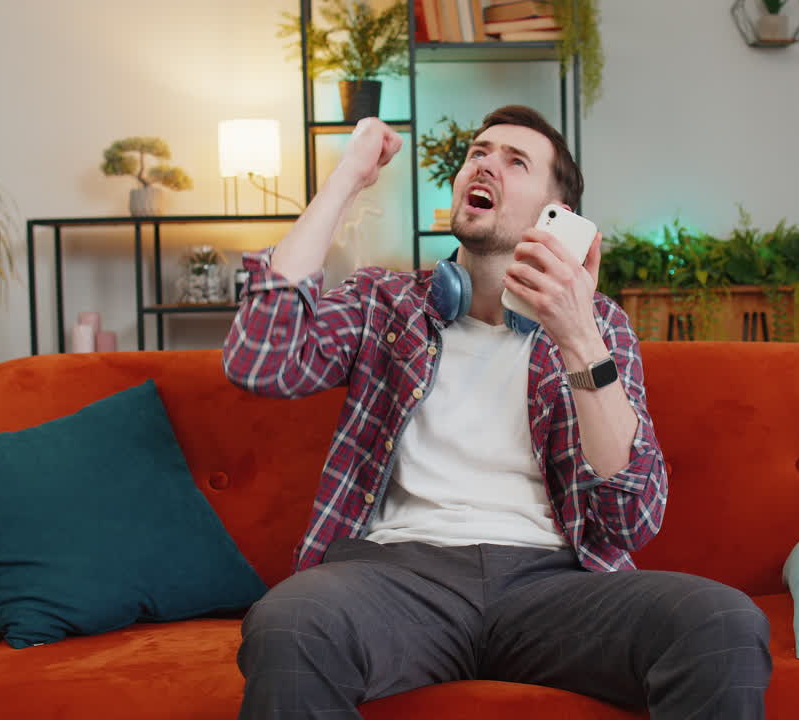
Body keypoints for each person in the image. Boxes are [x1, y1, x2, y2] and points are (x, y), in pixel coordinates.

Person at [223, 105, 771, 719]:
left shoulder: (597, 326)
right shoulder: (387, 302)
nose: (485, 165)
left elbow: (630, 520)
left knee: (720, 621)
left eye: (516, 162)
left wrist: (578, 337)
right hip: (395, 580)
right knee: (290, 623)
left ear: (556, 218)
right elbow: (260, 359)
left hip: (552, 587)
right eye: (478, 154)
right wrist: (348, 176)